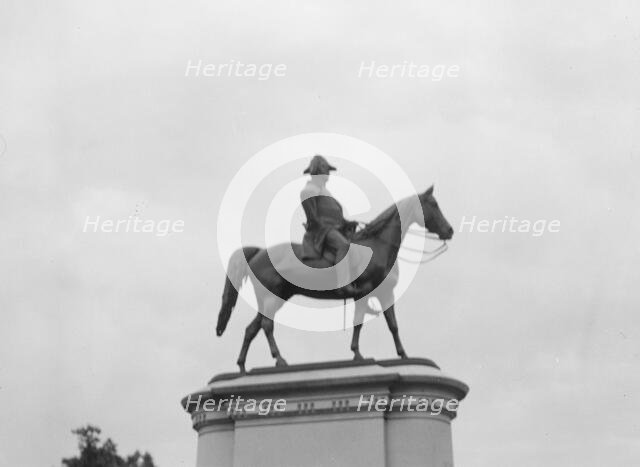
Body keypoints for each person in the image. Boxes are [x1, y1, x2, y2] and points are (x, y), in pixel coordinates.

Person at [300, 155, 361, 296]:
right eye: (326, 170)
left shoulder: (324, 191)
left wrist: (346, 223)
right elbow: (313, 218)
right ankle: (343, 285)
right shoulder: (309, 190)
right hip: (321, 231)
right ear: (319, 171)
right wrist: (334, 228)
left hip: (331, 228)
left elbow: (331, 214)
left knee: (358, 244)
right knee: (343, 245)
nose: (328, 174)